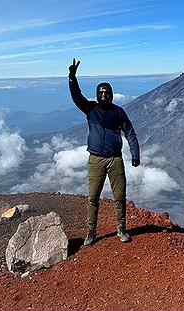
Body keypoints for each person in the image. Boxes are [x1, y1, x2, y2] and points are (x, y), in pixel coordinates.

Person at [68, 58, 140, 245]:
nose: (104, 95)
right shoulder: (90, 108)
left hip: (115, 159)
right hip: (96, 159)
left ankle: (121, 230)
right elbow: (77, 97)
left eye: (107, 93)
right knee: (93, 197)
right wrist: (72, 78)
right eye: (101, 93)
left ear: (111, 95)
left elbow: (129, 132)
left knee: (120, 196)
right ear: (97, 95)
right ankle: (91, 232)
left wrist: (135, 153)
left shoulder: (118, 112)